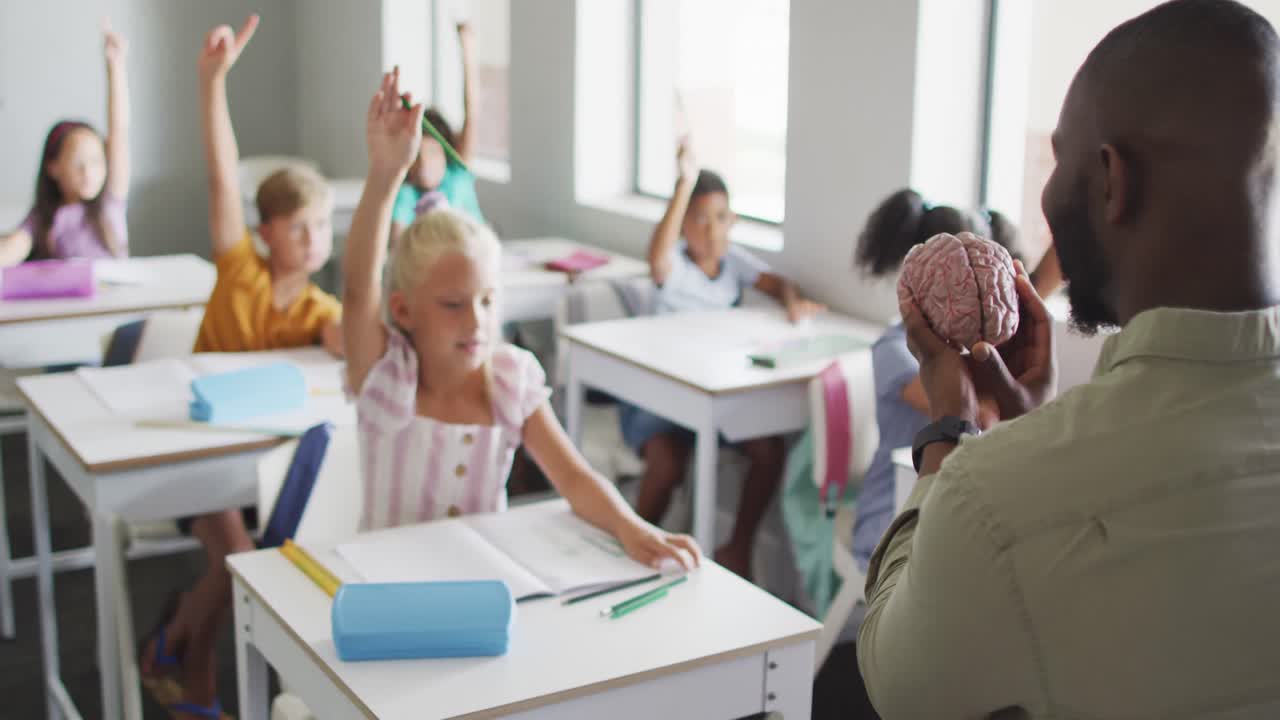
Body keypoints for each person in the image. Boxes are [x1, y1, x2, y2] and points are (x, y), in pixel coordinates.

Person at [858, 1, 1280, 716]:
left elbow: (899, 684)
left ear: (1113, 179)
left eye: (1059, 158)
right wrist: (1035, 429)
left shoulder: (990, 501)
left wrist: (947, 436)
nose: (1049, 193)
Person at [345, 67, 700, 559]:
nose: (476, 322)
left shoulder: (510, 380)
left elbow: (574, 477)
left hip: (479, 596)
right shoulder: (387, 374)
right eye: (452, 305)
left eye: (488, 301)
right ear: (404, 310)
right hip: (385, 592)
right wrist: (384, 174)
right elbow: (358, 290)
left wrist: (631, 527)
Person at [139, 17, 341, 718]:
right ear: (266, 232)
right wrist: (211, 83)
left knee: (249, 561)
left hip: (259, 461)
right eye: (299, 228)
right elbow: (223, 171)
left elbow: (353, 339)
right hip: (194, 452)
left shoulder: (320, 306)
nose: (315, 240)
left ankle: (175, 640)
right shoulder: (239, 266)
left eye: (324, 227)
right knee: (236, 556)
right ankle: (193, 667)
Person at [622, 139, 824, 578]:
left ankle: (738, 547)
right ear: (682, 225)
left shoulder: (732, 262)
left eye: (720, 218)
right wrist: (683, 183)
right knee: (667, 463)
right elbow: (656, 256)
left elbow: (778, 282)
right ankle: (632, 549)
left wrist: (793, 302)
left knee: (769, 450)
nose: (711, 230)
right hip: (661, 400)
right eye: (698, 219)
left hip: (715, 393)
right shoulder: (672, 264)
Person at [850, 189, 1019, 572]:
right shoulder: (893, 350)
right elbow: (970, 412)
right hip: (891, 509)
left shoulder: (979, 350)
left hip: (949, 505)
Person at [0, 21, 130, 266]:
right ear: (54, 167)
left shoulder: (109, 204)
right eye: (78, 163)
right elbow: (12, 249)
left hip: (116, 304)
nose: (89, 172)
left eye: (96, 162)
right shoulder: (42, 219)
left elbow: (119, 130)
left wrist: (116, 67)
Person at [390, 22, 485, 237]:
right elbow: (398, 247)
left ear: (447, 152)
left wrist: (467, 51)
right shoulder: (406, 195)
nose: (424, 163)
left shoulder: (459, 174)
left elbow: (472, 113)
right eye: (417, 156)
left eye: (432, 153)